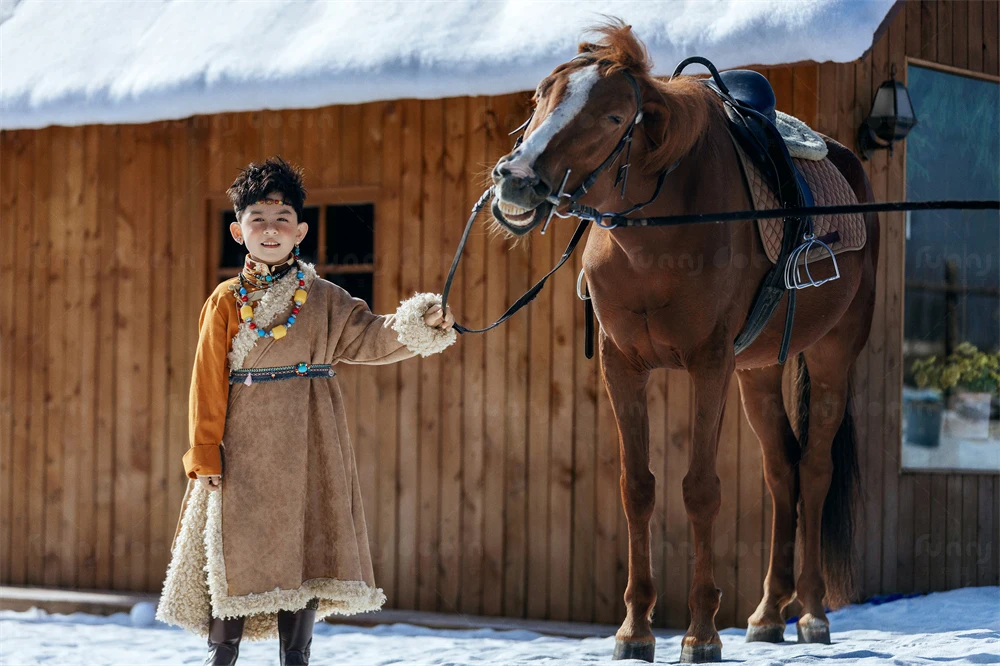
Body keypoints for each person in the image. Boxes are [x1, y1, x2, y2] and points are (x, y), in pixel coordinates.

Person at [156, 156, 456, 666]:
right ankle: (221, 655)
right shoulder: (226, 301)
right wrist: (204, 452)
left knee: (307, 549)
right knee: (235, 547)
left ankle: (296, 657)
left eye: (281, 220)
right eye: (258, 220)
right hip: (244, 446)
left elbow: (372, 336)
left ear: (300, 230)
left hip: (312, 440)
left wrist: (422, 321)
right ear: (237, 230)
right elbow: (206, 380)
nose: (270, 230)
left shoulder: (322, 298)